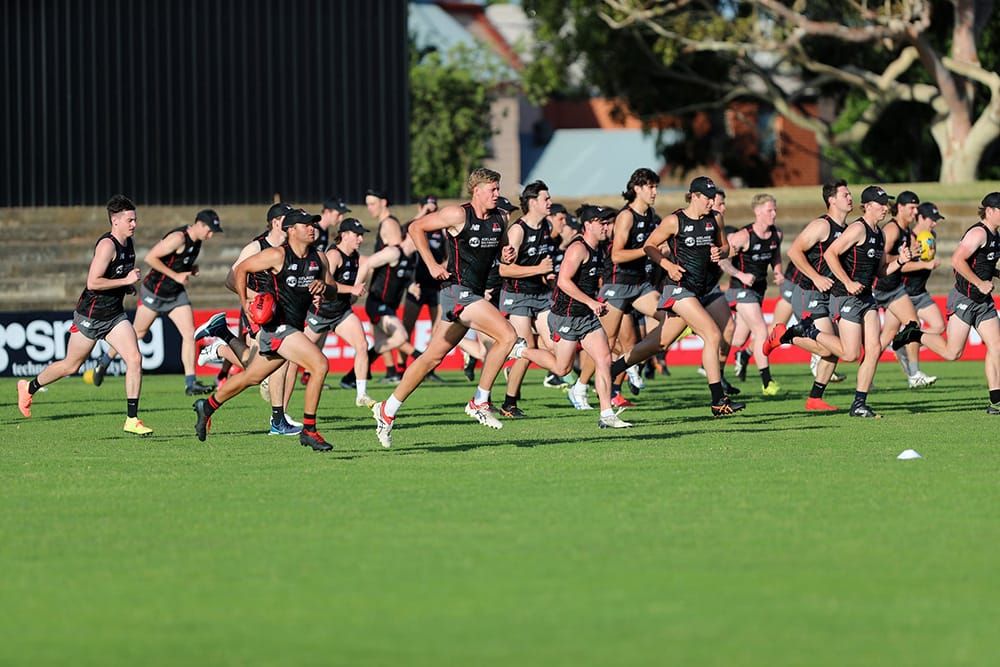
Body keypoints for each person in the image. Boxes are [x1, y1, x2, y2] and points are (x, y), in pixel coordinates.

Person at [371, 168, 525, 448]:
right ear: (476, 190)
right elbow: (416, 228)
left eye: (498, 188)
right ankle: (480, 401)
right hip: (456, 292)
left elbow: (502, 250)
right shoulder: (458, 214)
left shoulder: (500, 218)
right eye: (492, 189)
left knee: (431, 358)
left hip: (472, 294)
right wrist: (430, 263)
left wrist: (507, 252)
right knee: (507, 336)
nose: (497, 194)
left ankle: (387, 409)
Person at [192, 209, 335, 451]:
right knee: (319, 364)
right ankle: (309, 430)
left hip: (290, 329)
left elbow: (332, 290)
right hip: (277, 327)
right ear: (291, 230)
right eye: (306, 224)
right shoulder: (277, 255)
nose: (312, 228)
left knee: (251, 376)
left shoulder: (319, 258)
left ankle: (206, 407)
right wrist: (246, 302)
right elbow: (241, 270)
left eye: (314, 224)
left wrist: (324, 287)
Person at [607, 176, 746, 417]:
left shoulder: (716, 219)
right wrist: (667, 265)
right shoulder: (675, 221)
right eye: (707, 198)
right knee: (712, 334)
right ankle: (718, 401)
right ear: (694, 196)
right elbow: (650, 245)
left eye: (714, 198)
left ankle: (611, 370)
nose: (711, 202)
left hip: (699, 290)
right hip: (677, 289)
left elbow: (726, 247)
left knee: (657, 344)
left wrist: (720, 251)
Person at [17, 195, 153, 435]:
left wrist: (126, 286)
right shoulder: (107, 245)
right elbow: (92, 282)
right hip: (91, 316)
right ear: (115, 221)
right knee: (71, 366)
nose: (134, 224)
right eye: (130, 220)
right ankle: (29, 387)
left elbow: (113, 277)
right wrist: (126, 280)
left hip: (114, 316)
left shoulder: (128, 242)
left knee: (134, 358)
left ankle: (132, 419)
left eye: (135, 219)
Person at [770, 185, 910, 418]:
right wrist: (845, 282)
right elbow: (828, 254)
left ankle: (858, 403)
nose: (886, 208)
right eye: (881, 203)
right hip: (843, 296)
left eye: (887, 203)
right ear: (868, 206)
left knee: (873, 349)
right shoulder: (856, 228)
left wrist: (901, 261)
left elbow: (882, 271)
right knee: (848, 353)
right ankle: (800, 332)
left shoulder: (880, 233)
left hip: (865, 297)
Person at [91, 208, 223, 396]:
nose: (211, 235)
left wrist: (189, 268)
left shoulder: (197, 241)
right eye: (209, 230)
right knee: (137, 333)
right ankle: (104, 361)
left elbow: (176, 261)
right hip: (154, 291)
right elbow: (150, 258)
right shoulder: (178, 238)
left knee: (189, 333)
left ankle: (190, 382)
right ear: (200, 225)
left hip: (175, 294)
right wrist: (176, 275)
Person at [198, 202, 301, 436]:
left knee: (256, 369)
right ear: (276, 222)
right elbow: (230, 279)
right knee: (273, 363)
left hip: (280, 313)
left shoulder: (288, 247)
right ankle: (278, 420)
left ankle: (220, 344)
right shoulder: (256, 247)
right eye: (289, 219)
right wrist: (256, 298)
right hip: (258, 311)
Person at [891, 193, 1000, 414]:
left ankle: (995, 402)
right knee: (953, 353)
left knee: (997, 347)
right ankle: (913, 335)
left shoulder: (996, 235)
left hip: (983, 301)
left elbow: (983, 264)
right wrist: (979, 283)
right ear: (989, 211)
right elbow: (957, 261)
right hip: (965, 299)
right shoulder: (978, 233)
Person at [549, 204, 633, 428]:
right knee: (562, 369)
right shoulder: (578, 248)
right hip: (565, 316)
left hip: (586, 317)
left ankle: (607, 414)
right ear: (587, 225)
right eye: (601, 222)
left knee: (604, 359)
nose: (606, 226)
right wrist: (590, 302)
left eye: (607, 222)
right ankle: (523, 351)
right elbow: (563, 281)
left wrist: (596, 302)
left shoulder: (601, 249)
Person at [780, 180, 854, 411]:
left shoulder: (847, 229)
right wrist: (815, 277)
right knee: (831, 348)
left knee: (833, 350)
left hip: (829, 295)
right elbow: (794, 251)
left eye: (850, 194)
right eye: (845, 194)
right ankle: (787, 335)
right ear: (831, 200)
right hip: (808, 292)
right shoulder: (822, 225)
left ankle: (815, 399)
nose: (850, 197)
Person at [497, 180, 558, 418]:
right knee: (527, 347)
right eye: (546, 199)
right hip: (517, 296)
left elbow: (541, 264)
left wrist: (548, 276)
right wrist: (539, 270)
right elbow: (505, 270)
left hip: (540, 295)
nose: (550, 202)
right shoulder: (518, 230)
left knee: (554, 344)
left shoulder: (546, 227)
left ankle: (513, 365)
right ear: (532, 203)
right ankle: (509, 404)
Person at [304, 217, 373, 408]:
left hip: (341, 312)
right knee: (295, 356)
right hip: (320, 313)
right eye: (357, 235)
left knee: (362, 345)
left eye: (361, 235)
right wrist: (352, 290)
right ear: (344, 235)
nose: (360, 239)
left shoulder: (356, 257)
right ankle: (274, 388)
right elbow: (326, 285)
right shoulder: (334, 255)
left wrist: (352, 294)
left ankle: (361, 394)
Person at [719, 193, 784, 395]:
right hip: (740, 290)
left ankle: (698, 331)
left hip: (758, 290)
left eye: (775, 210)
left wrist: (778, 271)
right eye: (769, 210)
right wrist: (741, 274)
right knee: (761, 331)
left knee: (738, 340)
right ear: (757, 212)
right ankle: (767, 382)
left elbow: (775, 255)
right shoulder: (743, 236)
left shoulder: (777, 234)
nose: (773, 214)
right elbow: (722, 260)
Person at [873, 191, 936, 387]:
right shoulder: (892, 230)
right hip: (883, 287)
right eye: (912, 207)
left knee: (895, 332)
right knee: (908, 327)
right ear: (900, 207)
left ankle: (910, 373)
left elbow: (903, 258)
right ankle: (912, 371)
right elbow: (879, 259)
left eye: (917, 207)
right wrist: (906, 258)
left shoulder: (907, 230)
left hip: (895, 287)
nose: (915, 211)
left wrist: (914, 254)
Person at [364, 188, 406, 381]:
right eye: (367, 204)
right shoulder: (385, 223)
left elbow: (397, 254)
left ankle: (362, 362)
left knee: (396, 337)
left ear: (384, 202)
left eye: (372, 203)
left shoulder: (389, 224)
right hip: (379, 292)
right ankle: (387, 371)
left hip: (384, 292)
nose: (369, 208)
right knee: (381, 338)